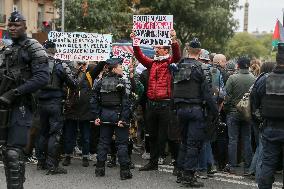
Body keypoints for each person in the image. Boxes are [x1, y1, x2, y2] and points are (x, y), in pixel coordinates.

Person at [0, 11, 49, 188]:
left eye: (16, 25)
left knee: (14, 152)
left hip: (22, 106)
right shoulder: (8, 50)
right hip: (6, 107)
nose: (12, 28)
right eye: (10, 26)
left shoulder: (32, 46)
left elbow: (43, 77)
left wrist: (14, 93)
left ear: (25, 27)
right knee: (7, 152)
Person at [131, 30, 181, 171]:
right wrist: (135, 41)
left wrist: (173, 39)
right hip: (151, 105)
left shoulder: (170, 62)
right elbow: (139, 56)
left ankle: (177, 164)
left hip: (165, 105)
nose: (156, 49)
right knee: (151, 135)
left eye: (159, 47)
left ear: (166, 50)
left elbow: (177, 55)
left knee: (170, 136)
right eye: (156, 47)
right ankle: (153, 163)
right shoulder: (152, 63)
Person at [173, 38, 218, 187]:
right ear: (199, 52)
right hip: (195, 110)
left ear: (188, 50)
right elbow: (207, 93)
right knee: (193, 144)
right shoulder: (201, 68)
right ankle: (189, 176)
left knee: (184, 142)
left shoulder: (179, 66)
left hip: (180, 109)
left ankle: (179, 171)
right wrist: (215, 111)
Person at [36, 40, 77, 175]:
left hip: (41, 103)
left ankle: (41, 162)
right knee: (55, 133)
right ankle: (52, 165)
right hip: (55, 103)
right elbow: (73, 83)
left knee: (42, 132)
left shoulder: (37, 64)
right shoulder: (60, 65)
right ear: (54, 50)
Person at [92, 58, 132, 180]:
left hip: (104, 115)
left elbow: (93, 100)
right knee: (122, 144)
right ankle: (124, 172)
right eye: (120, 66)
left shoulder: (100, 82)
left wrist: (97, 116)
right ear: (114, 68)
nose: (121, 68)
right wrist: (124, 119)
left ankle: (99, 169)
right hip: (118, 115)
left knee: (103, 142)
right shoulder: (124, 82)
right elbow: (127, 102)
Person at [251, 43, 284, 189]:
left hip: (270, 127)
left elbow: (254, 101)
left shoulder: (264, 79)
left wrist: (260, 118)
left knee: (268, 163)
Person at [223, 57, 256, 174]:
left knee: (233, 140)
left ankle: (232, 166)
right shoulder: (254, 79)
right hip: (247, 114)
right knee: (247, 139)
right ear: (248, 65)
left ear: (238, 65)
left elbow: (226, 97)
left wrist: (227, 109)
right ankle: (248, 167)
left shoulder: (232, 78)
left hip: (233, 112)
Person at [63, 62, 94, 167]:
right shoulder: (69, 76)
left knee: (85, 136)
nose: (82, 66)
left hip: (85, 112)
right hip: (71, 111)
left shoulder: (90, 76)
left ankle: (85, 156)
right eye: (80, 64)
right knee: (69, 136)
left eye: (84, 64)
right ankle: (67, 155)